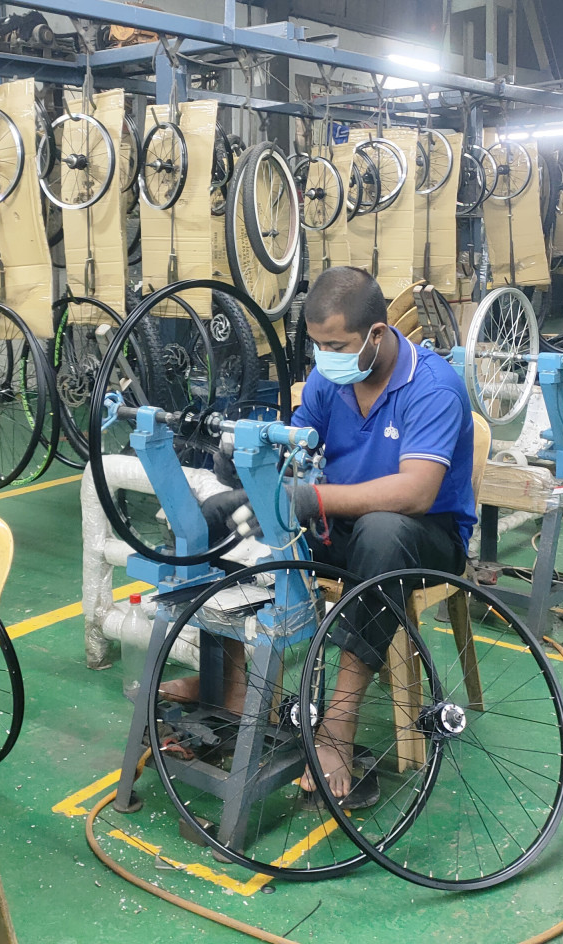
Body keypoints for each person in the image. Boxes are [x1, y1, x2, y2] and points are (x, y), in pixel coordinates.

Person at [193, 266, 475, 805]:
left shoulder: (433, 386)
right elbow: (297, 450)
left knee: (382, 531)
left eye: (336, 344)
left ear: (376, 333)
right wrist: (246, 467)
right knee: (234, 523)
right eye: (318, 345)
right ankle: (228, 690)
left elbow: (416, 491)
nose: (325, 357)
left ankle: (337, 726)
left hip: (426, 535)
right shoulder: (331, 379)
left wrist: (310, 500)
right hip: (344, 521)